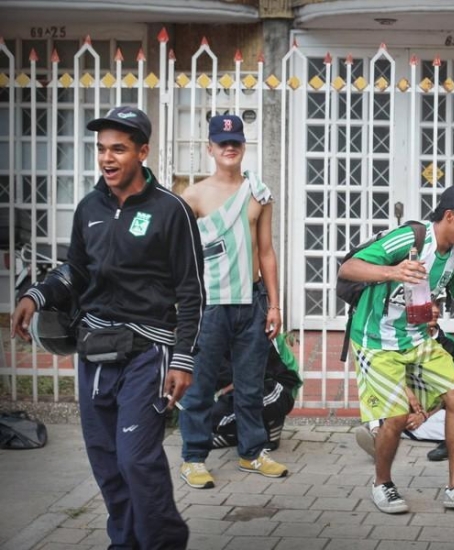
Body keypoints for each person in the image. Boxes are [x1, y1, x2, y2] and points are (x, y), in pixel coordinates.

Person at [10, 106, 204, 548]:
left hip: (148, 352)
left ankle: (163, 542)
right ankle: (125, 542)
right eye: (101, 149)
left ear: (143, 152)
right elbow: (76, 270)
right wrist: (35, 295)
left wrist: (183, 359)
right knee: (106, 461)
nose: (107, 158)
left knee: (136, 460)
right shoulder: (89, 208)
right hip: (95, 349)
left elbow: (192, 292)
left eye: (118, 148)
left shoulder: (171, 210)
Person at [338, 183, 454, 514]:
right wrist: (392, 271)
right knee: (395, 417)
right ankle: (382, 484)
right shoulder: (411, 238)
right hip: (375, 341)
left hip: (417, 338)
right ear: (450, 216)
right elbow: (348, 268)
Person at [178, 114, 287, 489]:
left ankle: (252, 452)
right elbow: (179, 257)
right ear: (210, 148)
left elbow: (267, 251)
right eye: (222, 142)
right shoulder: (192, 197)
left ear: (243, 147)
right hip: (209, 306)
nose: (229, 147)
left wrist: (274, 304)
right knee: (201, 384)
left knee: (251, 384)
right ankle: (193, 457)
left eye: (236, 142)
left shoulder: (258, 193)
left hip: (251, 302)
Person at [353, 296, 454, 461]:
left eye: (438, 304)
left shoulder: (449, 343)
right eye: (429, 304)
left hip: (428, 414)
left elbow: (450, 393)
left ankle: (387, 434)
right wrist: (407, 391)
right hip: (397, 405)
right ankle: (380, 434)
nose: (436, 310)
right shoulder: (395, 338)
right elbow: (385, 374)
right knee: (381, 397)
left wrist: (424, 415)